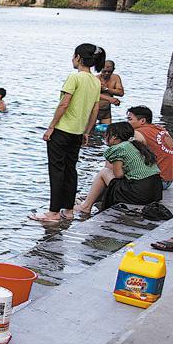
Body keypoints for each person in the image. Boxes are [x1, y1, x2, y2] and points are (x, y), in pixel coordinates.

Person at [31, 44, 105, 223]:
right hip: (78, 132)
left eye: (73, 55)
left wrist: (51, 127)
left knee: (57, 170)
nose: (72, 59)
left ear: (78, 57)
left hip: (62, 130)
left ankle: (53, 212)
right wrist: (87, 131)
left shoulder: (75, 77)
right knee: (71, 170)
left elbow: (64, 104)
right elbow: (95, 109)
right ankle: (69, 210)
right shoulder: (95, 81)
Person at [74, 122, 163, 216]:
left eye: (107, 135)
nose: (105, 137)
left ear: (115, 137)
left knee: (104, 172)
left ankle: (86, 207)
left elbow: (118, 175)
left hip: (139, 194)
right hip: (155, 192)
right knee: (111, 178)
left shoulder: (118, 149)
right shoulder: (137, 145)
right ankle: (90, 200)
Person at [126, 106, 173, 189]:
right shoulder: (160, 129)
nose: (127, 122)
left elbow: (125, 154)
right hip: (168, 181)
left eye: (130, 119)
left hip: (156, 182)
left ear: (142, 121)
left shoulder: (138, 133)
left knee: (107, 172)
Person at [96, 60, 125, 125]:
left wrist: (106, 89)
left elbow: (121, 93)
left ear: (113, 70)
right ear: (101, 69)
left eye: (109, 72)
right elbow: (91, 94)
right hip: (94, 110)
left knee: (107, 130)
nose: (107, 73)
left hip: (106, 111)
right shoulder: (96, 79)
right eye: (104, 71)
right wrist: (109, 99)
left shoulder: (115, 78)